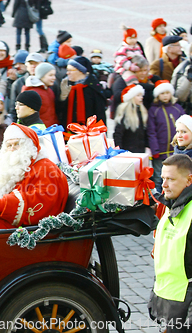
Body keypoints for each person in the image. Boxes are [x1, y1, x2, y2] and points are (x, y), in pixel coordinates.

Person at [148, 154, 192, 333]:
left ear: (189, 180)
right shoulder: (170, 206)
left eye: (171, 179)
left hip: (185, 303)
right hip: (170, 299)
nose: (164, 184)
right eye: (163, 178)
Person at [147, 80, 184, 193]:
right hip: (160, 152)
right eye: (162, 93)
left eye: (167, 93)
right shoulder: (154, 110)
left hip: (175, 151)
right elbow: (151, 131)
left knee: (175, 176)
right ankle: (159, 201)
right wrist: (155, 149)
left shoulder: (177, 108)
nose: (165, 96)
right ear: (158, 95)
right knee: (159, 177)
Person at [58, 56, 106, 127]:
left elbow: (100, 113)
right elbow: (59, 111)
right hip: (67, 130)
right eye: (67, 70)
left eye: (71, 70)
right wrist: (62, 98)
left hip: (89, 132)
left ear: (81, 71)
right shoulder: (65, 85)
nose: (67, 73)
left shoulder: (93, 88)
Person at [113, 84, 148, 153]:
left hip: (140, 149)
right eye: (138, 95)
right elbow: (118, 134)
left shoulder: (141, 111)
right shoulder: (125, 112)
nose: (141, 98)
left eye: (141, 95)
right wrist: (119, 150)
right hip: (127, 150)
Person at [9, 52, 44, 120]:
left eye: (36, 63)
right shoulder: (18, 84)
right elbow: (13, 109)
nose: (33, 66)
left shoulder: (48, 82)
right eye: (31, 64)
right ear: (26, 66)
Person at [23, 62, 58, 127]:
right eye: (50, 75)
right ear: (41, 76)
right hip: (38, 132)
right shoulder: (33, 92)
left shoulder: (49, 91)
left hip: (49, 131)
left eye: (54, 75)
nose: (54, 78)